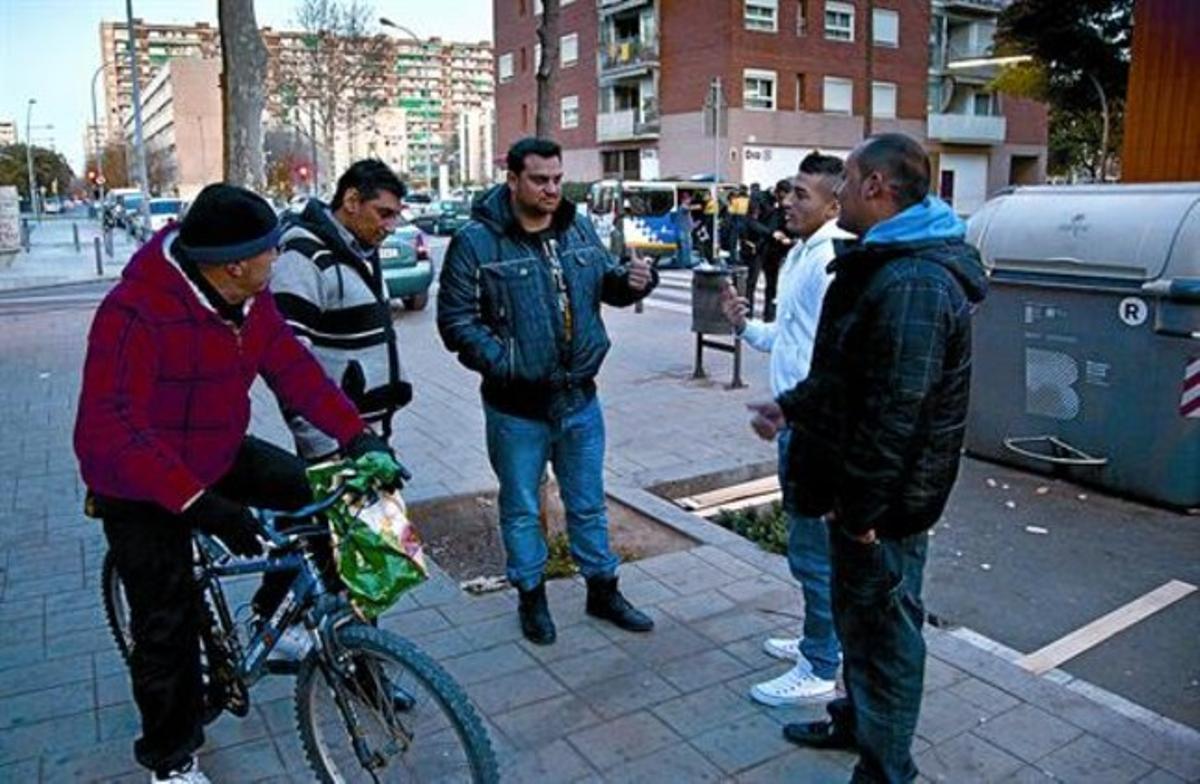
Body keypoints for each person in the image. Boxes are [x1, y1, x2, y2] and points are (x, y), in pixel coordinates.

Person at [74, 184, 403, 784]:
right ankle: (170, 759)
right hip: (137, 477)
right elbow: (110, 427)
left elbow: (294, 370)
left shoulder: (252, 302)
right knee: (166, 622)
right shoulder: (134, 311)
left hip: (215, 448)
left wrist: (355, 437)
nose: (279, 259)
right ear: (233, 264)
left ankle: (276, 622)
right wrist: (201, 504)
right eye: (270, 251)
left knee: (314, 497)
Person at [749, 134, 987, 783]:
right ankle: (856, 723)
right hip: (864, 495)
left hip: (885, 509)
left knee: (887, 639)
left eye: (849, 182)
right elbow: (851, 371)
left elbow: (896, 417)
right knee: (861, 622)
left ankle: (887, 771)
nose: (842, 194)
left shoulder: (912, 279)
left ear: (878, 187)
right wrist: (791, 407)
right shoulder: (887, 260)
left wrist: (861, 513)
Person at [437, 137, 657, 645]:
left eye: (557, 179)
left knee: (588, 503)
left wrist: (634, 282)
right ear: (512, 179)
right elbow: (454, 320)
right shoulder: (477, 239)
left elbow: (608, 285)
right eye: (539, 180)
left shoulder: (577, 227)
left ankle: (603, 590)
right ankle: (531, 598)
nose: (552, 189)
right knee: (519, 507)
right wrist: (507, 362)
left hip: (581, 399)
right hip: (517, 409)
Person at [721, 152, 851, 707]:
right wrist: (745, 325)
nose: (787, 201)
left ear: (834, 204)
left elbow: (834, 359)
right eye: (789, 192)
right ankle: (820, 640)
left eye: (802, 195)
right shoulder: (800, 252)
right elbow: (791, 336)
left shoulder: (830, 264)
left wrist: (796, 412)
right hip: (796, 423)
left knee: (811, 551)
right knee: (809, 549)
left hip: (813, 429)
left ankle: (820, 665)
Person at [271, 159, 412, 462]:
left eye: (396, 216)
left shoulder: (360, 249)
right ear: (351, 201)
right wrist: (323, 448)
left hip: (369, 435)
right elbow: (286, 365)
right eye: (383, 214)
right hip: (336, 443)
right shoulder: (302, 258)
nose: (391, 227)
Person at [744, 179, 796, 321]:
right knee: (751, 282)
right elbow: (751, 222)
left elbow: (786, 222)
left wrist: (789, 238)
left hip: (774, 248)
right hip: (758, 246)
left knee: (772, 284)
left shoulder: (783, 205)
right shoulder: (759, 198)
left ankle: (769, 317)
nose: (783, 201)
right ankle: (747, 316)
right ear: (777, 192)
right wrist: (770, 233)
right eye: (782, 197)